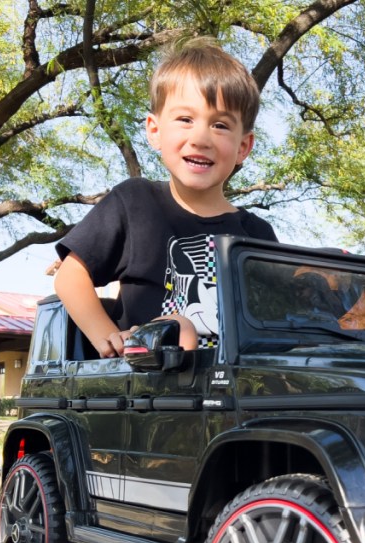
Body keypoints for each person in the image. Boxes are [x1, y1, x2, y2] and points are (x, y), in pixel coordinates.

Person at [54, 38, 277, 355]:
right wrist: (107, 336)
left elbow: (276, 317)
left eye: (220, 125)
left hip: (230, 389)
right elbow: (69, 276)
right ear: (155, 130)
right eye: (185, 119)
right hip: (148, 388)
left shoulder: (257, 234)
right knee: (178, 329)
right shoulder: (135, 202)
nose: (200, 138)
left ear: (243, 147)